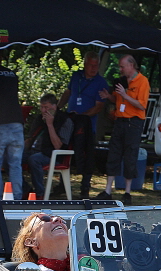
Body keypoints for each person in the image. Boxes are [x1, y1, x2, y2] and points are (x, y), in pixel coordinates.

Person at [95, 55, 150, 205]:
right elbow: (118, 100)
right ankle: (108, 190)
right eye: (120, 66)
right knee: (114, 153)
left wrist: (125, 95)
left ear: (131, 65)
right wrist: (109, 96)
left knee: (130, 154)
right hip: (120, 121)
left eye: (122, 66)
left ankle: (127, 192)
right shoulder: (121, 81)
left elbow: (142, 105)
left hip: (134, 123)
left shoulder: (142, 81)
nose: (120, 69)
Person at [58, 51, 110, 199]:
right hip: (70, 124)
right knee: (65, 151)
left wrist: (81, 118)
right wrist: (58, 107)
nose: (94, 68)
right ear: (85, 64)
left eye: (96, 65)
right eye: (91, 65)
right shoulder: (76, 76)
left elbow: (99, 106)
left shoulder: (101, 82)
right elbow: (68, 93)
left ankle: (85, 187)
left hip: (87, 127)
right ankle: (62, 184)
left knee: (87, 156)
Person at [0, 53, 25, 199]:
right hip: (16, 122)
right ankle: (17, 197)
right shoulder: (11, 74)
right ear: (1, 58)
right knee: (15, 164)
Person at [22, 94, 74, 199]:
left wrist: (50, 124)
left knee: (34, 159)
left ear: (54, 106)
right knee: (11, 158)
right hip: (34, 150)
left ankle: (40, 194)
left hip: (52, 154)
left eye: (46, 107)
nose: (43, 110)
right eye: (42, 107)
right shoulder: (39, 119)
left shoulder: (64, 120)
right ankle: (25, 189)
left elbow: (58, 145)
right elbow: (31, 138)